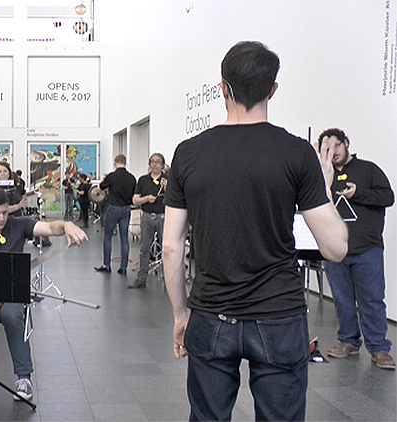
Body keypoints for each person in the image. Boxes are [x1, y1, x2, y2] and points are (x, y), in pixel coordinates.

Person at [162, 41, 348, 421]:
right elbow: (336, 248)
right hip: (279, 315)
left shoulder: (188, 153)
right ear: (272, 90)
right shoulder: (297, 153)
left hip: (211, 314)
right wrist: (324, 187)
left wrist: (182, 315)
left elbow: (170, 247)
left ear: (222, 89)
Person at [0, 187, 88, 401]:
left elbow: (49, 228)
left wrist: (66, 225)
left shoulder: (18, 225)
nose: (1, 219)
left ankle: (24, 377)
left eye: (5, 213)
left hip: (9, 292)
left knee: (13, 316)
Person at [317, 128, 395, 370]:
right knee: (342, 300)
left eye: (337, 146)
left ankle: (379, 349)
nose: (334, 153)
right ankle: (348, 342)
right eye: (327, 150)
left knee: (372, 300)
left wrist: (358, 193)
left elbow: (387, 197)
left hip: (367, 248)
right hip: (334, 250)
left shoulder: (368, 170)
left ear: (347, 143)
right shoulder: (323, 176)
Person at [129, 153, 168, 289]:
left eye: (158, 162)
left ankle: (168, 279)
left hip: (163, 218)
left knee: (166, 250)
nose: (155, 164)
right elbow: (135, 200)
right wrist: (146, 199)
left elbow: (175, 198)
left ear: (163, 165)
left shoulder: (168, 180)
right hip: (146, 218)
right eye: (152, 162)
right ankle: (141, 278)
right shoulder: (143, 180)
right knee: (144, 249)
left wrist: (167, 186)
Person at [94, 154, 136, 274]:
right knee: (124, 238)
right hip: (126, 209)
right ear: (125, 162)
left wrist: (102, 180)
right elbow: (134, 194)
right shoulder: (131, 178)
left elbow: (101, 187)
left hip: (114, 208)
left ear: (115, 163)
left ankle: (106, 265)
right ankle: (123, 267)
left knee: (108, 236)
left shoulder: (112, 176)